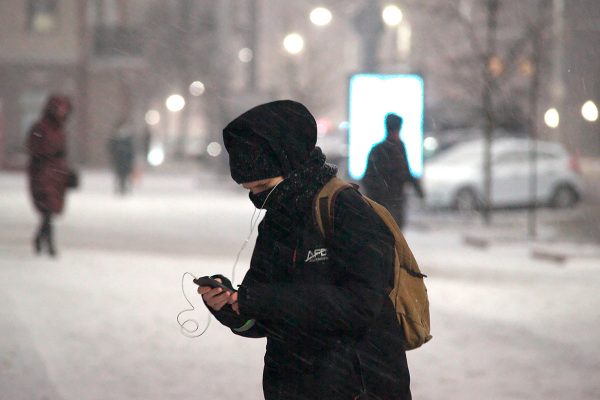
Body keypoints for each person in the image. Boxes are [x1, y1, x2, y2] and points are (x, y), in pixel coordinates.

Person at [198, 100, 411, 400]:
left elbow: (361, 305)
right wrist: (233, 306)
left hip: (357, 387)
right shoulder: (276, 220)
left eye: (263, 185)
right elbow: (264, 317)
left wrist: (263, 300)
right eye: (250, 190)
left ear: (293, 166)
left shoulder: (347, 211)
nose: (258, 197)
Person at [26, 94, 73, 257]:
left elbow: (62, 151)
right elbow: (34, 147)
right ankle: (48, 242)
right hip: (43, 172)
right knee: (47, 207)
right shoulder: (41, 128)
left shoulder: (60, 130)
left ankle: (41, 237)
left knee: (51, 208)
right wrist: (45, 159)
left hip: (57, 174)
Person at [362, 113, 424, 229]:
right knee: (393, 234)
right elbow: (405, 172)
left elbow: (368, 178)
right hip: (389, 202)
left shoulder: (381, 150)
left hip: (387, 202)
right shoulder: (393, 149)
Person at [107, 117, 135, 195]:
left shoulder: (127, 137)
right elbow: (111, 146)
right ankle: (121, 187)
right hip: (119, 158)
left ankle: (123, 188)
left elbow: (131, 149)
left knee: (124, 174)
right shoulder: (117, 137)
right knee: (120, 174)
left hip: (124, 159)